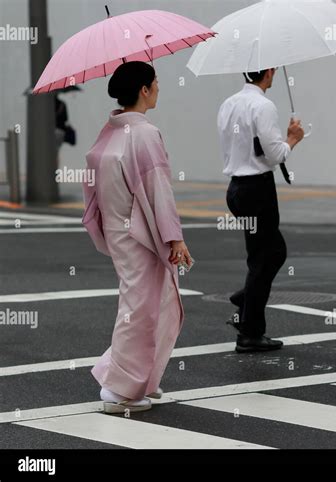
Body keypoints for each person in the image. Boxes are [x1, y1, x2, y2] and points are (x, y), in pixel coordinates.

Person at [82, 61, 192, 414]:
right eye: (156, 83)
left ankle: (140, 378)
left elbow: (95, 191)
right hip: (141, 235)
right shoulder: (144, 133)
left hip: (119, 231)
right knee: (143, 309)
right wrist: (174, 238)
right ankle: (119, 389)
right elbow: (159, 188)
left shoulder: (109, 133)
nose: (159, 88)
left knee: (148, 305)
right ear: (143, 90)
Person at [217, 68, 305, 353]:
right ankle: (250, 332)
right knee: (263, 257)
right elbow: (274, 153)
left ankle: (247, 299)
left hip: (237, 188)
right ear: (268, 72)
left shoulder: (228, 103)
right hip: (257, 189)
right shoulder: (263, 106)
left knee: (272, 253)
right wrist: (292, 139)